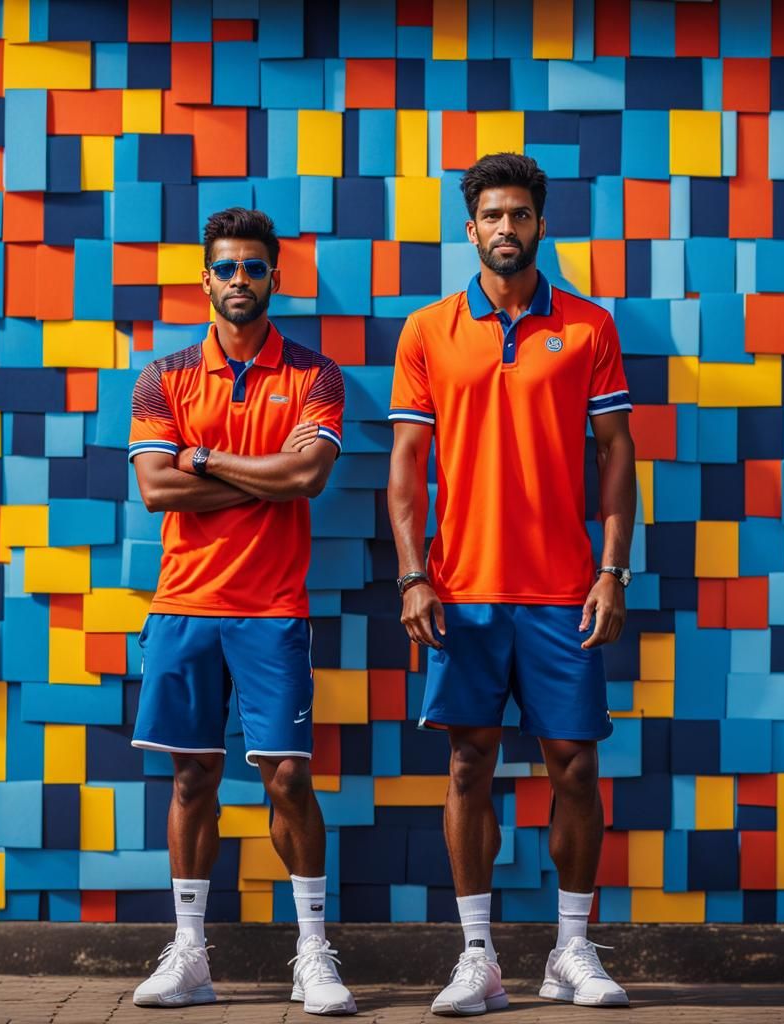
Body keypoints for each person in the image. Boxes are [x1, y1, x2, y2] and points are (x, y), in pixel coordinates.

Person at [387, 153, 635, 1014]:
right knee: (469, 764)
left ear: (540, 224)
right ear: (471, 227)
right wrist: (414, 575)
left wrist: (611, 568)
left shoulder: (590, 328)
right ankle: (478, 958)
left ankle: (572, 951)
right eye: (491, 215)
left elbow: (615, 453)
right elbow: (406, 466)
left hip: (565, 587)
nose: (505, 228)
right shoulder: (426, 330)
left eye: (520, 215)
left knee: (573, 765)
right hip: (462, 588)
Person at [127, 207, 355, 1015]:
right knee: (193, 776)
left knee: (288, 777)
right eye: (225, 268)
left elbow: (307, 480)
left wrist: (207, 458)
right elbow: (156, 488)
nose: (239, 281)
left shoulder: (316, 375)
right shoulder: (163, 376)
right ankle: (190, 953)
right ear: (206, 278)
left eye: (254, 268)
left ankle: (313, 954)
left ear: (274, 279)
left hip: (271, 607)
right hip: (186, 602)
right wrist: (263, 473)